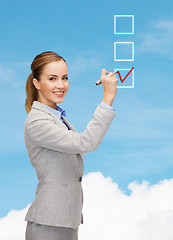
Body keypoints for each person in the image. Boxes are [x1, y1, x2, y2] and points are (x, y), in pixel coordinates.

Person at [24, 51, 118, 240]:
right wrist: (107, 99)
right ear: (36, 83)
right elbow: (86, 142)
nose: (60, 85)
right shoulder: (37, 121)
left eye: (64, 78)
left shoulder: (59, 118)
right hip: (49, 224)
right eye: (52, 79)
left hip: (66, 220)